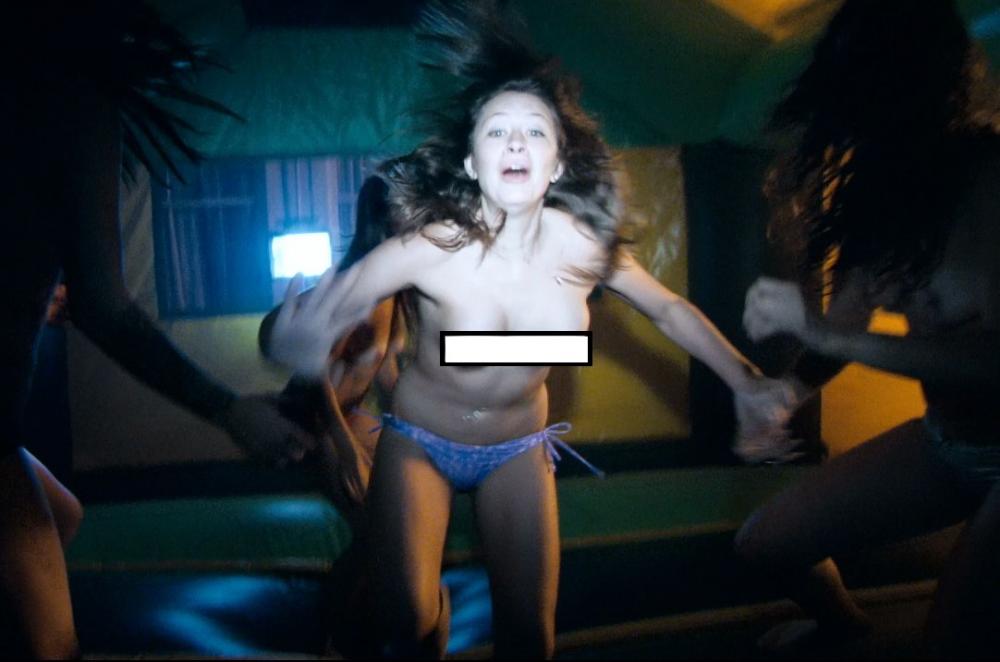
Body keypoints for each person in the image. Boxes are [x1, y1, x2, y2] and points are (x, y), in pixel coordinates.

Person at [263, 2, 781, 657]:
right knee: (406, 621)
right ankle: (429, 610)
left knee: (531, 638)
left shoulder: (582, 249)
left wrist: (746, 380)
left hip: (516, 450)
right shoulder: (430, 248)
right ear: (471, 163)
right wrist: (292, 342)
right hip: (421, 443)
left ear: (557, 164)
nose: (515, 143)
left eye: (535, 132)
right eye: (497, 131)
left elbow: (669, 310)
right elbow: (314, 313)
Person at [0, 2, 313, 657]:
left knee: (65, 515)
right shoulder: (70, 100)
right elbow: (105, 307)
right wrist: (230, 410)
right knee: (52, 641)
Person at [733, 0, 1000, 656]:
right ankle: (844, 627)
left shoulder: (989, 179)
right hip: (949, 445)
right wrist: (785, 394)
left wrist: (828, 337)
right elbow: (845, 322)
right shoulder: (882, 195)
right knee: (763, 546)